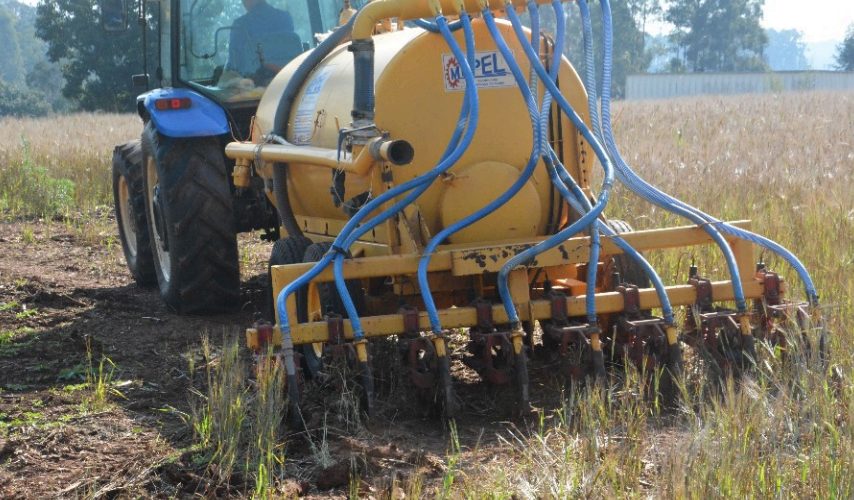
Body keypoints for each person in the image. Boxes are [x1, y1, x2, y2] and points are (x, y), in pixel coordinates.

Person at [225, 0, 299, 83]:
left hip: (254, 87)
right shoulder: (285, 18)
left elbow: (233, 67)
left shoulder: (240, 25)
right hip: (291, 83)